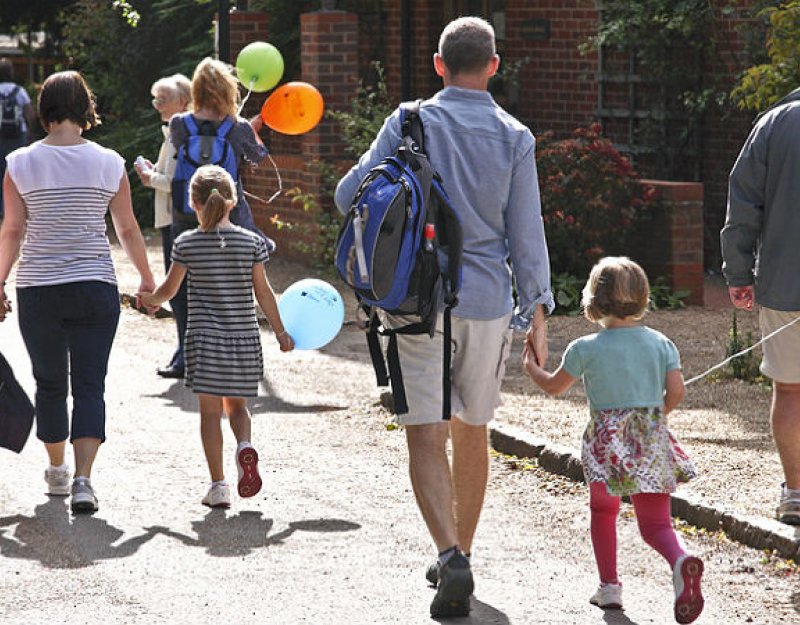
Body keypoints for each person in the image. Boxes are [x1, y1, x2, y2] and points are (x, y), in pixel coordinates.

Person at [334, 17, 554, 618]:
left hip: (416, 300)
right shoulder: (515, 136)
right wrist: (536, 307)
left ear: (437, 64)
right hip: (486, 301)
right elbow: (526, 231)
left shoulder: (408, 121)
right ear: (493, 65)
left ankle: (448, 551)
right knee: (473, 431)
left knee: (426, 431)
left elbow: (347, 194)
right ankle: (463, 555)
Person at [0, 70, 156, 513]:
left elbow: (12, 230)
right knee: (91, 385)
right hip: (95, 287)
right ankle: (84, 481)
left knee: (49, 384)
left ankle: (56, 471)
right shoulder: (109, 161)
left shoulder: (20, 163)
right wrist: (146, 279)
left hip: (40, 289)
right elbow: (126, 228)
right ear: (85, 106)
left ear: (44, 108)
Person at [522, 257, 704, 624]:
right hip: (650, 437)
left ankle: (610, 587)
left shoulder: (584, 348)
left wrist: (531, 368)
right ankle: (680, 560)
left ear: (593, 300)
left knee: (603, 511)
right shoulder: (661, 343)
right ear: (642, 298)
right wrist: (657, 414)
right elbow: (677, 392)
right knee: (656, 525)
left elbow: (556, 387)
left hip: (606, 444)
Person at [138, 164, 293, 508]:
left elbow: (168, 291)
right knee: (237, 406)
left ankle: (219, 485)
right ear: (233, 201)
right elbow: (264, 293)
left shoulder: (187, 243)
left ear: (192, 203)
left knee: (210, 414)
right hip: (244, 340)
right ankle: (245, 447)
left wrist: (147, 301)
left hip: (205, 341)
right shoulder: (252, 242)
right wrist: (281, 332)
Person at [163, 57, 275, 380]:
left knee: (181, 285)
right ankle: (232, 354)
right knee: (233, 284)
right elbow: (258, 158)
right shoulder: (237, 127)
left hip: (187, 212)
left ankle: (186, 356)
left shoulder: (179, 124)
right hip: (231, 218)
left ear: (196, 89)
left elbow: (176, 151)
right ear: (229, 89)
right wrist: (249, 130)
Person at [721, 94, 800, 526]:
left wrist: (737, 273)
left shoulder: (774, 123)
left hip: (786, 281)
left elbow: (743, 202)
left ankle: (795, 492)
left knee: (789, 390)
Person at [133, 73, 192, 378]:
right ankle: (185, 351)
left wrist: (151, 178)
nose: (157, 105)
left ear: (184, 100)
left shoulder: (182, 133)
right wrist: (156, 172)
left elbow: (180, 183)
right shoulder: (177, 132)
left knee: (179, 291)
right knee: (182, 291)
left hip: (176, 219)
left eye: (163, 98)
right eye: (155, 98)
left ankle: (185, 356)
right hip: (174, 217)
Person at [0, 58, 36, 219]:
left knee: (2, 173)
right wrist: (30, 132)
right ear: (11, 73)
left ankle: (3, 210)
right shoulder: (19, 91)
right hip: (18, 135)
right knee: (18, 172)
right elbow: (30, 113)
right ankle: (20, 210)